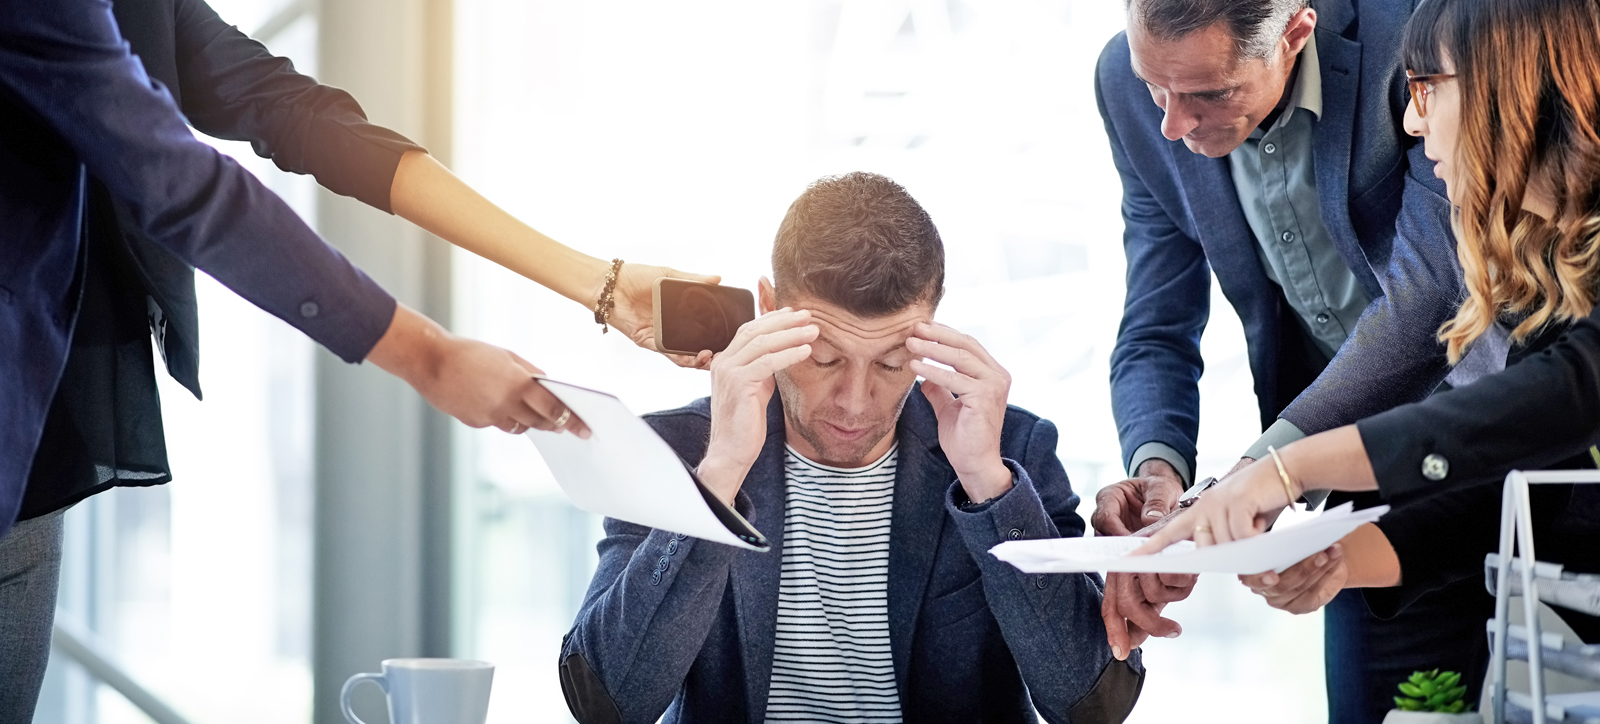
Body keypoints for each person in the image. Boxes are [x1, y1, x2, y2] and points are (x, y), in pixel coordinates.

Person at [0, 0, 702, 718]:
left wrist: (597, 281)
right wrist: (427, 356)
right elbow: (176, 182)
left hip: (31, 450)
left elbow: (287, 108)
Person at [557, 172, 1143, 724]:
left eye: (892, 363)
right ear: (769, 311)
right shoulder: (677, 451)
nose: (855, 402)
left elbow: (1091, 705)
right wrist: (720, 476)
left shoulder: (1012, 452)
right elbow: (607, 704)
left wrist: (989, 487)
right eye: (825, 358)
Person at [1091, 0, 1506, 719]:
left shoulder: (1415, 36)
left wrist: (1267, 474)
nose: (1172, 124)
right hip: (1357, 500)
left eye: (1209, 95)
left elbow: (1432, 295)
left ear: (1296, 34)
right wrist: (1159, 472)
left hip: (1517, 437)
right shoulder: (1134, 89)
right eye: (1157, 89)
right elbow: (1157, 317)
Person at [1140, 0, 1600, 644]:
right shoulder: (1549, 266)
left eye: (1424, 89)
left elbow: (1557, 398)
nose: (1410, 122)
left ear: (1511, 85)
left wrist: (1289, 469)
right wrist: (1338, 562)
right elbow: (1529, 470)